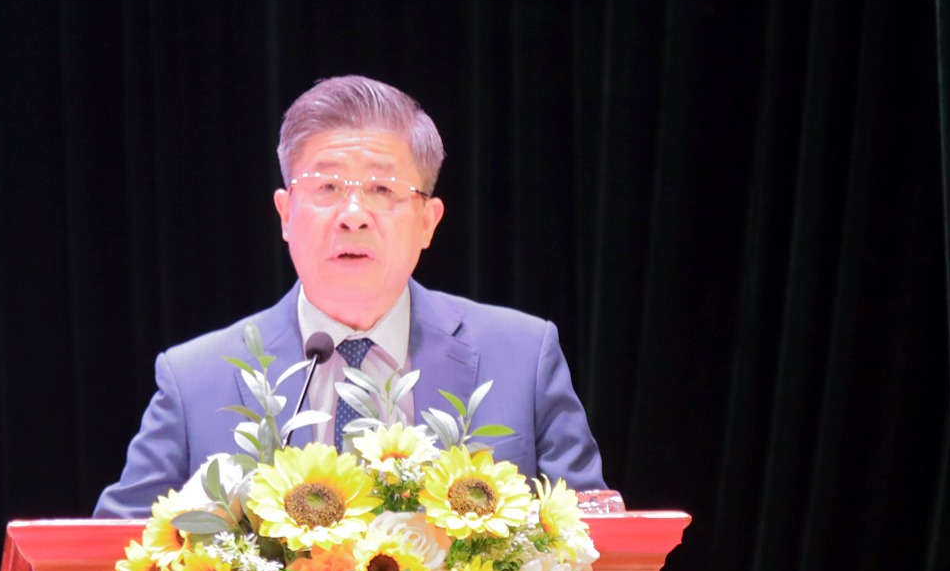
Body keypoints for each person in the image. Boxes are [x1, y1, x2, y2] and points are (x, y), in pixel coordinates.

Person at [94, 75, 606, 518]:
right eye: (327, 188)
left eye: (383, 190)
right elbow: (111, 562)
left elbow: (596, 546)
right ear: (285, 215)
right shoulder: (195, 379)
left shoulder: (522, 356)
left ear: (428, 223)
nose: (354, 215)